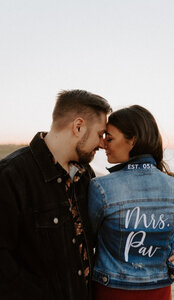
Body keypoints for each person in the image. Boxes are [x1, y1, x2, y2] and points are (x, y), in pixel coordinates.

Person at [0, 89, 112, 300]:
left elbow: (96, 237)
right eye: (100, 134)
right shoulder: (11, 175)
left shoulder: (85, 175)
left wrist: (150, 245)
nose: (102, 143)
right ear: (78, 127)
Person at [88, 105, 174, 300]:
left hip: (113, 291)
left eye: (110, 137)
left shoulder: (101, 187)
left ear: (132, 140)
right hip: (159, 290)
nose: (104, 144)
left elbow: (88, 238)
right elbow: (171, 241)